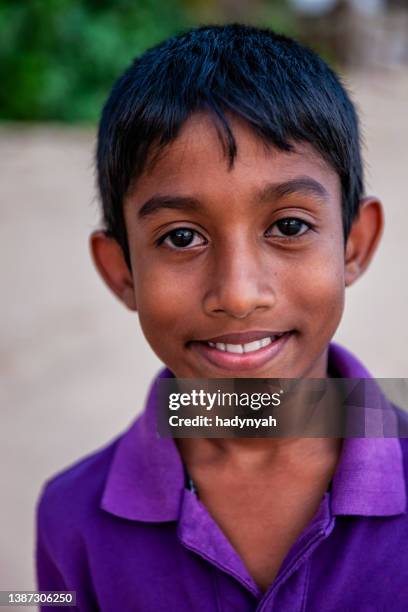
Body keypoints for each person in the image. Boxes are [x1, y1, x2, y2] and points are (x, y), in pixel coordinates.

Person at [35, 24, 408, 610]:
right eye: (181, 237)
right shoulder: (70, 518)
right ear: (122, 271)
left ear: (354, 246)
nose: (237, 294)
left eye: (289, 226)